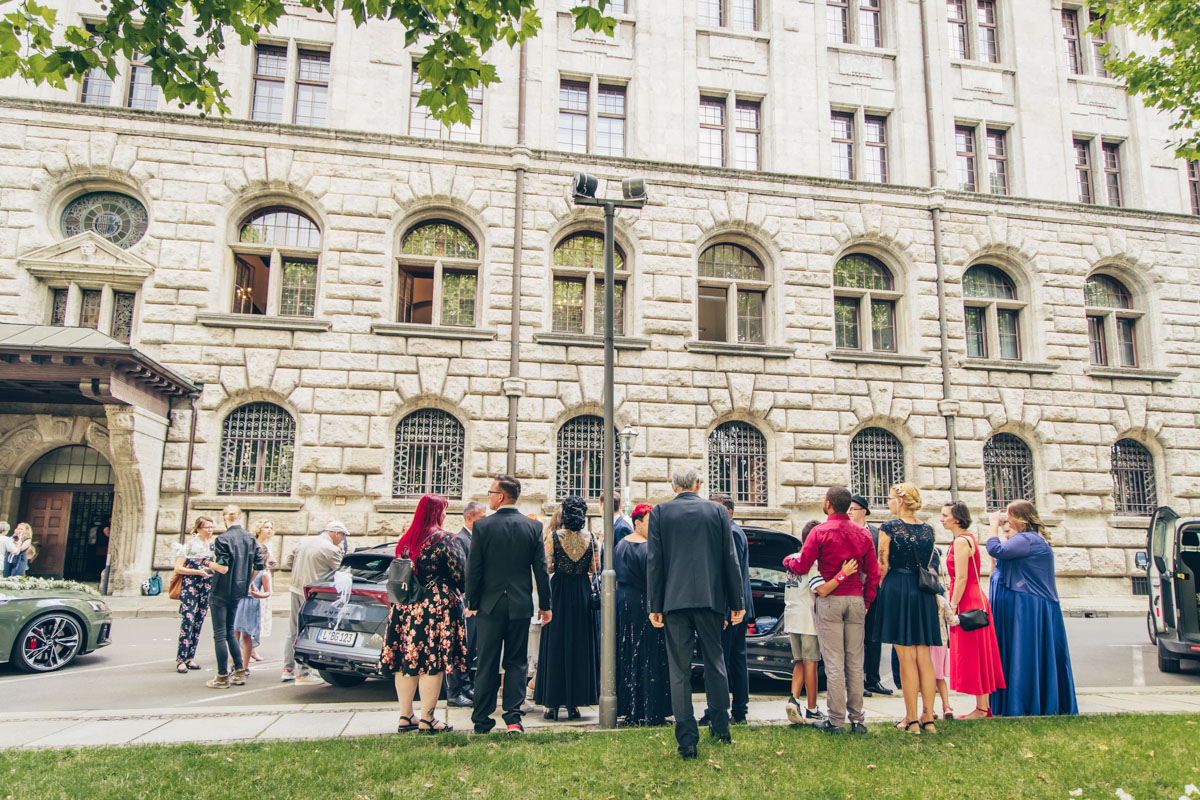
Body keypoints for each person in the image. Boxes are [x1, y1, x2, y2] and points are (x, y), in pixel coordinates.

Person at [647, 467, 744, 760]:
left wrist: (655, 605)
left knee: (679, 670)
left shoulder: (660, 513)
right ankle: (721, 727)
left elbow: (655, 562)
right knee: (715, 662)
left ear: (673, 486)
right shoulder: (718, 512)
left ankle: (687, 740)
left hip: (674, 601)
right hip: (710, 599)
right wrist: (736, 600)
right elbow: (730, 559)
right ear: (699, 484)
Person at [467, 475, 552, 735]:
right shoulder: (532, 527)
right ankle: (514, 719)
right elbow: (540, 569)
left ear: (501, 496)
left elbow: (474, 569)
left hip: (489, 605)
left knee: (487, 662)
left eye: (491, 492)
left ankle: (482, 719)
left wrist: (472, 601)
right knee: (516, 662)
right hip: (520, 604)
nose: (489, 497)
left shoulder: (482, 527)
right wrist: (545, 604)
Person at [793, 486, 880, 734]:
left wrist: (788, 560)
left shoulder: (820, 532)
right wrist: (867, 602)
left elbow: (802, 565)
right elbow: (873, 573)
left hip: (830, 599)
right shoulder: (863, 534)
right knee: (855, 661)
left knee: (833, 661)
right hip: (855, 598)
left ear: (829, 503)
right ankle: (858, 719)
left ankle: (836, 719)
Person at [379, 494, 467, 734]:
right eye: (444, 510)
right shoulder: (445, 539)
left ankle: (405, 716)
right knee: (432, 661)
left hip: (406, 607)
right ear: (437, 513)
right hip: (434, 607)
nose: (445, 515)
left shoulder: (406, 540)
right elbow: (460, 574)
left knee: (406, 660)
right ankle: (428, 718)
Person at [986, 500, 1078, 717]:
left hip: (1027, 606)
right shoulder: (1029, 539)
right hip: (1023, 603)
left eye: (1009, 516)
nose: (1006, 520)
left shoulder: (1027, 539)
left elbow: (995, 549)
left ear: (1020, 518)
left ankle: (1023, 702)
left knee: (1023, 652)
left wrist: (993, 526)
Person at [874, 483, 941, 734]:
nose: (889, 502)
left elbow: (882, 565)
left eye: (891, 498)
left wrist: (880, 590)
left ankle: (912, 720)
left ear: (900, 501)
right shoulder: (928, 530)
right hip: (922, 591)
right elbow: (929, 561)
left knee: (905, 657)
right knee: (924, 657)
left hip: (898, 587)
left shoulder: (889, 527)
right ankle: (928, 719)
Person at [534, 495, 600, 720]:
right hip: (581, 591)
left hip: (560, 591)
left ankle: (551, 704)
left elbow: (547, 567)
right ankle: (575, 704)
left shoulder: (554, 537)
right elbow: (594, 567)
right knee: (580, 644)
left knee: (556, 643)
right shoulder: (591, 538)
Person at [942, 500, 1005, 719]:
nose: (942, 519)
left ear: (957, 518)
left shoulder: (961, 541)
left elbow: (961, 577)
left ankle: (982, 708)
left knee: (973, 653)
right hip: (973, 596)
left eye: (945, 515)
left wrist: (952, 606)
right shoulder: (967, 539)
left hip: (968, 600)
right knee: (979, 652)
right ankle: (983, 707)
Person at [614, 502, 672, 726]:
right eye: (650, 522)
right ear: (637, 523)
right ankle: (650, 709)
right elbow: (654, 580)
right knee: (648, 655)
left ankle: (630, 708)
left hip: (624, 603)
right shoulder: (648, 548)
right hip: (644, 604)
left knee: (628, 653)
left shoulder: (621, 545)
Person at [699, 493, 754, 726]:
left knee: (721, 661)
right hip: (736, 607)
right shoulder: (731, 531)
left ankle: (719, 710)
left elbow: (730, 574)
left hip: (730, 609)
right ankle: (738, 710)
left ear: (728, 512)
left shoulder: (731, 532)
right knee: (735, 660)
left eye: (716, 509)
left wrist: (725, 610)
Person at [200, 505, 264, 689]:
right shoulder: (250, 538)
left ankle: (222, 676)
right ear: (240, 518)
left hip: (221, 589)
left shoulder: (222, 539)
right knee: (230, 630)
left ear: (224, 518)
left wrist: (207, 563)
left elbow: (223, 567)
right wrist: (248, 582)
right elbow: (259, 565)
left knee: (220, 633)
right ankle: (239, 671)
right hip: (239, 589)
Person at [282, 520, 346, 683]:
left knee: (293, 629)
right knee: (309, 630)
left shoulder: (304, 541)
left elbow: (289, 562)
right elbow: (341, 573)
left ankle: (287, 668)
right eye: (343, 536)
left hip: (296, 588)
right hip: (313, 594)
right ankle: (303, 672)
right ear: (336, 533)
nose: (342, 540)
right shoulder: (331, 549)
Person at [781, 520, 826, 725]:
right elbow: (820, 590)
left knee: (799, 661)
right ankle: (812, 708)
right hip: (808, 618)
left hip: (792, 616)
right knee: (811, 663)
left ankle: (794, 699)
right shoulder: (813, 564)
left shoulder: (791, 560)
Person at [848, 495, 893, 697]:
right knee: (856, 639)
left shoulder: (877, 533)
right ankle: (857, 681)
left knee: (874, 637)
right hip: (853, 591)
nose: (849, 512)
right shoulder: (847, 532)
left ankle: (873, 679)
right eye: (848, 509)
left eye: (853, 509)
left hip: (874, 591)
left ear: (864, 511)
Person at [446, 500, 486, 707]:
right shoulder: (461, 540)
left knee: (470, 650)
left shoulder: (475, 539)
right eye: (482, 518)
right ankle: (455, 691)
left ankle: (465, 686)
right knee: (462, 648)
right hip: (467, 605)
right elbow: (464, 573)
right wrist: (468, 602)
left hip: (476, 605)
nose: (485, 521)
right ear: (470, 517)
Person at [172, 516, 215, 673]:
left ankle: (190, 657)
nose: (210, 530)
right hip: (191, 585)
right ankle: (181, 659)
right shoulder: (190, 545)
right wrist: (198, 572)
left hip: (206, 585)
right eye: (207, 527)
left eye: (211, 527)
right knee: (188, 620)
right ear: (198, 529)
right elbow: (178, 568)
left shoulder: (213, 545)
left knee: (199, 620)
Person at [233, 520, 275, 671]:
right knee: (235, 632)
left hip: (251, 603)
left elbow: (268, 592)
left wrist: (259, 595)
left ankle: (244, 665)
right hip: (239, 601)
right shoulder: (242, 570)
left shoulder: (263, 574)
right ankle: (236, 660)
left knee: (247, 634)